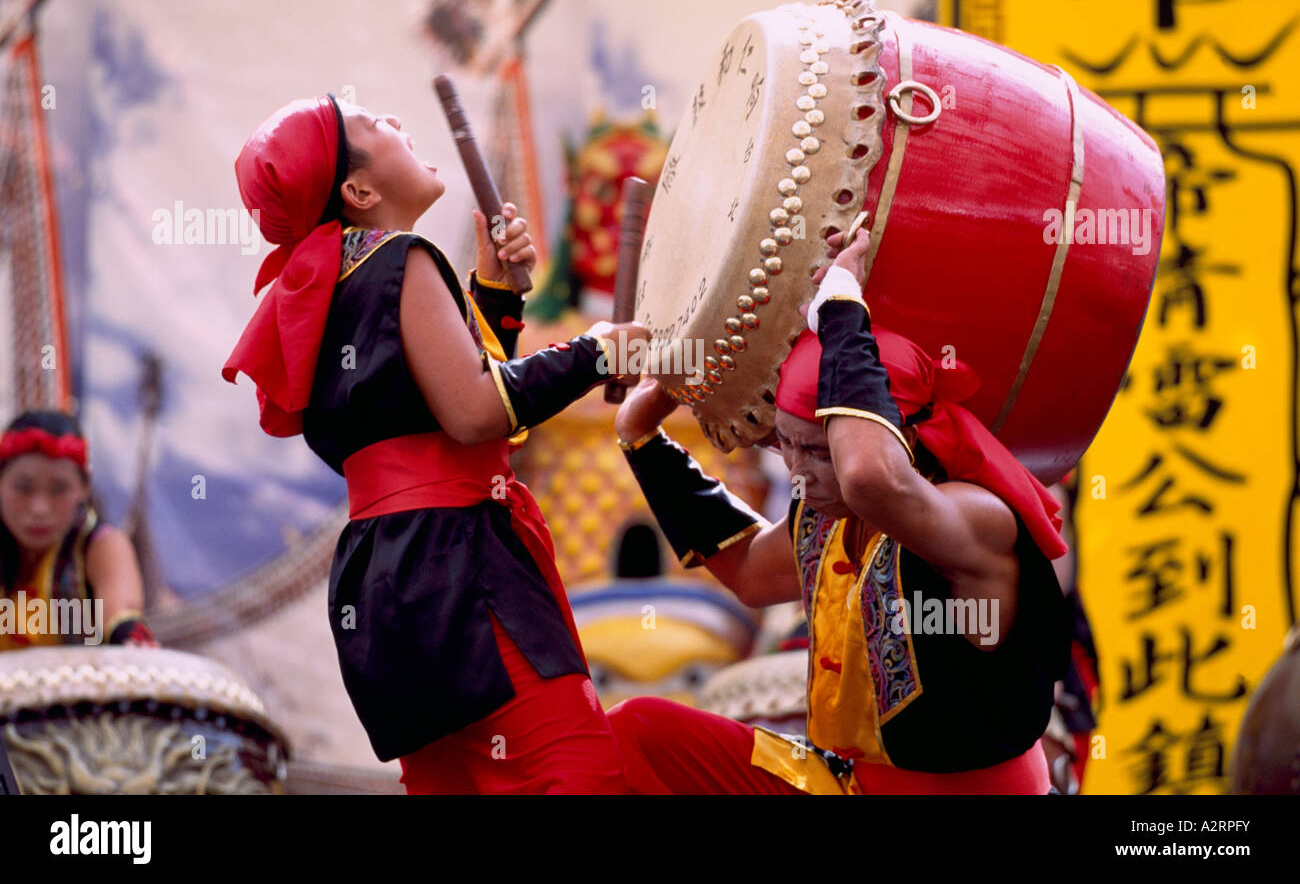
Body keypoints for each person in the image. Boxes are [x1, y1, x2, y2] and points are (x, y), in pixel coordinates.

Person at [221, 94, 646, 793]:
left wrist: (495, 299)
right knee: (579, 773)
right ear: (359, 191)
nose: (392, 120)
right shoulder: (401, 256)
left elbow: (423, 413)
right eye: (371, 124)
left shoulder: (330, 284)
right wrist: (595, 352)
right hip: (460, 558)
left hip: (385, 573)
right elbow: (474, 413)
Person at [607, 228, 1072, 793]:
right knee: (636, 732)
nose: (798, 473)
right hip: (850, 785)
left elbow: (870, 478)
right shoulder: (829, 514)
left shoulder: (974, 516)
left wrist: (843, 311)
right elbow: (749, 570)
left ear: (901, 436)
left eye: (820, 451)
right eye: (787, 445)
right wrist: (642, 436)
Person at [0, 410, 155, 650]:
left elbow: (120, 611)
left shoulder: (100, 546)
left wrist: (132, 638)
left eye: (59, 489)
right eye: (23, 488)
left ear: (84, 488)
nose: (39, 509)